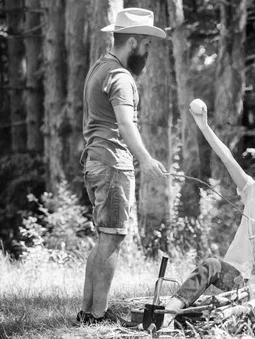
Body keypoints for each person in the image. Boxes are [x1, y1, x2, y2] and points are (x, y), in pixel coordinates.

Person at [161, 101, 255, 328]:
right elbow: (228, 159)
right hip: (239, 279)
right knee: (210, 264)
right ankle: (168, 313)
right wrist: (204, 127)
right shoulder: (254, 193)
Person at [77, 8, 168, 324]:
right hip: (113, 164)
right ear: (133, 41)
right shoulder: (120, 77)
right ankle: (98, 315)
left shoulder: (100, 67)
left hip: (96, 161)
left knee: (105, 237)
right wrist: (145, 159)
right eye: (146, 45)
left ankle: (87, 311)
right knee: (112, 237)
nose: (147, 52)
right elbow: (126, 125)